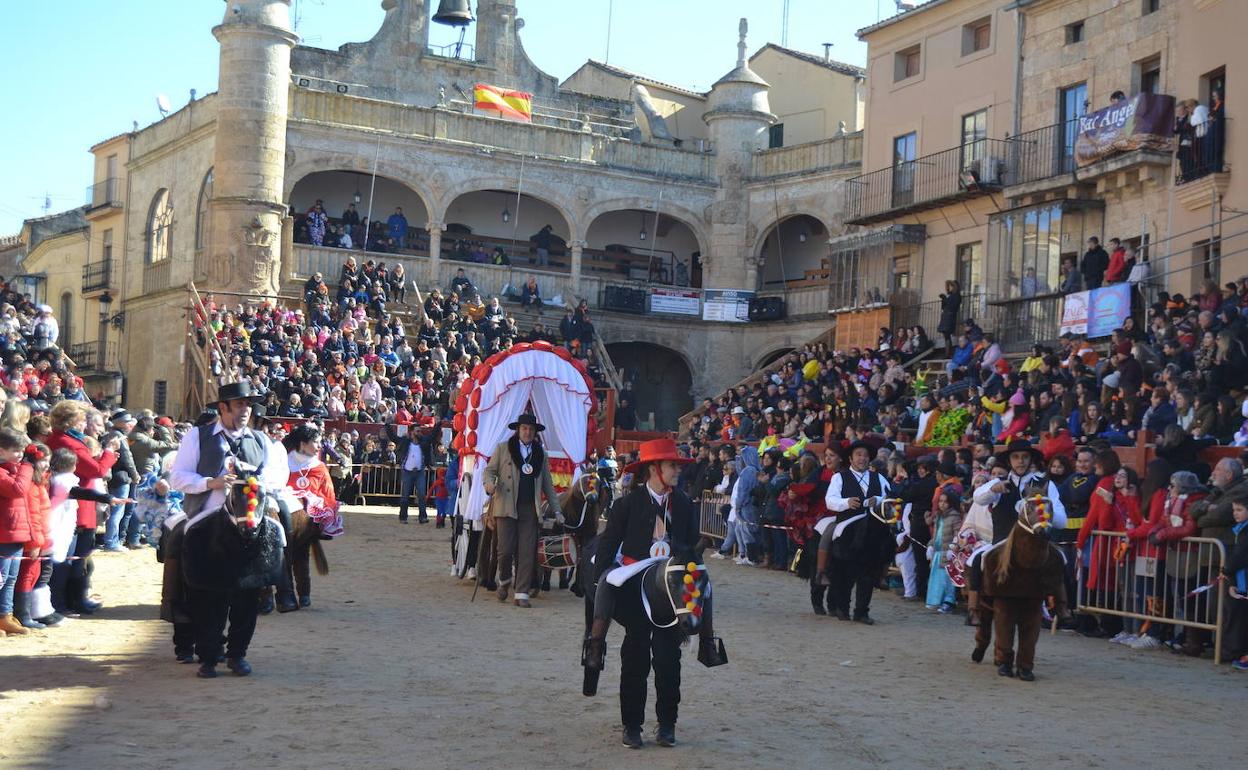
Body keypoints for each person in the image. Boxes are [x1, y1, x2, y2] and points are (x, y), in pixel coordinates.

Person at [168, 382, 288, 678]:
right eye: (239, 404)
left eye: (248, 404)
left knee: (280, 537)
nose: (246, 410)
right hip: (208, 510)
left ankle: (241, 649)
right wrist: (213, 482)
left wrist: (255, 481)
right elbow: (178, 477)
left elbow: (277, 476)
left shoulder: (261, 440)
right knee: (176, 540)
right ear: (222, 408)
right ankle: (191, 628)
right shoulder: (198, 436)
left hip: (250, 514)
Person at [589, 438, 699, 749]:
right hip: (636, 592)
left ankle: (667, 725)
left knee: (668, 659)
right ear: (654, 469)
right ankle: (632, 726)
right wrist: (602, 586)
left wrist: (693, 597)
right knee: (635, 657)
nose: (677, 471)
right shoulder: (626, 504)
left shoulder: (686, 506)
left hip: (670, 595)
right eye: (671, 465)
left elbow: (692, 551)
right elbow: (609, 545)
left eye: (677, 465)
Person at [482, 413, 560, 608]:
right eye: (524, 428)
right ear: (518, 430)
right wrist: (489, 484)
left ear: (535, 433)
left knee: (527, 552)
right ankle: (505, 579)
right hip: (506, 504)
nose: (527, 432)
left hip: (529, 508)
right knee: (505, 550)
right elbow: (489, 471)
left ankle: (521, 593)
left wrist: (557, 510)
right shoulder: (503, 449)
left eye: (531, 430)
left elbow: (548, 485)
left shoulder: (540, 454)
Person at [817, 440, 893, 624]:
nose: (862, 458)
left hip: (873, 521)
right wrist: (846, 503)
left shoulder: (879, 478)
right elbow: (830, 500)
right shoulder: (840, 477)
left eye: (865, 455)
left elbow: (889, 496)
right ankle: (841, 605)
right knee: (844, 568)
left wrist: (880, 500)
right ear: (851, 458)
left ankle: (862, 610)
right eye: (858, 455)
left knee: (889, 543)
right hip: (848, 519)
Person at [390, 423, 434, 524]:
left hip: (419, 472)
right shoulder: (406, 442)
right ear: (412, 432)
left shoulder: (423, 443)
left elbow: (432, 436)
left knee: (422, 495)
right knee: (405, 496)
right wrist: (388, 426)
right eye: (417, 431)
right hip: (407, 472)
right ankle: (403, 517)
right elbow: (393, 437)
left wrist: (438, 426)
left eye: (420, 431)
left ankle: (423, 517)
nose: (420, 433)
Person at [937, 280, 962, 357]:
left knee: (947, 335)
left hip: (950, 318)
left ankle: (947, 353)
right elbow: (945, 306)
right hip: (946, 317)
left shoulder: (957, 296)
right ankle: (947, 353)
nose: (949, 288)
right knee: (946, 336)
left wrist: (945, 299)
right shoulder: (950, 295)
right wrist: (943, 299)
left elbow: (952, 306)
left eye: (951, 286)